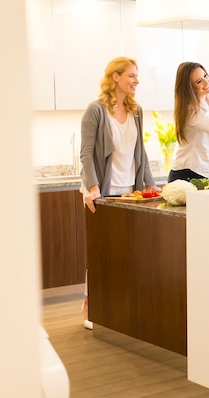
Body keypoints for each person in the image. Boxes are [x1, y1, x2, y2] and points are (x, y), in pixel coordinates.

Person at [79, 56, 159, 329]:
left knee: (128, 252)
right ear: (116, 77)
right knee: (101, 251)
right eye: (132, 76)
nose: (137, 81)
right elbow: (87, 153)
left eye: (137, 76)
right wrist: (93, 188)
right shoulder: (96, 110)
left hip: (129, 191)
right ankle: (91, 305)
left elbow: (141, 153)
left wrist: (148, 184)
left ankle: (120, 310)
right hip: (101, 191)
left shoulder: (136, 111)